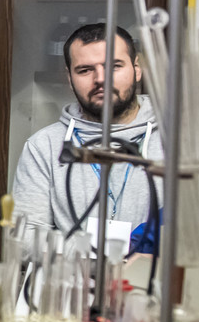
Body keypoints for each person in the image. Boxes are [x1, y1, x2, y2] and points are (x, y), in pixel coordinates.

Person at [12, 22, 162, 239]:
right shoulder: (44, 146)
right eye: (85, 70)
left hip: (149, 264)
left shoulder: (173, 142)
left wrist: (144, 252)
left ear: (136, 70)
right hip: (74, 263)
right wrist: (93, 253)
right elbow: (25, 236)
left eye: (114, 66)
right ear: (69, 78)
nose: (100, 79)